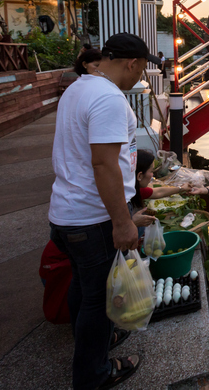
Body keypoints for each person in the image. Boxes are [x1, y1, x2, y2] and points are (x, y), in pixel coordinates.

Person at [49, 33, 160, 390]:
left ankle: (90, 344)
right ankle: (94, 374)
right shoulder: (109, 99)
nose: (140, 78)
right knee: (98, 301)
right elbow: (104, 164)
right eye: (142, 70)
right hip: (93, 217)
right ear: (132, 63)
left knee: (83, 287)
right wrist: (122, 221)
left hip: (65, 213)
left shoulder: (78, 88)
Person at [132, 150, 190, 216]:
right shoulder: (126, 196)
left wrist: (182, 188)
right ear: (139, 176)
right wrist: (134, 222)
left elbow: (158, 192)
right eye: (151, 171)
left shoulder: (136, 190)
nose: (152, 175)